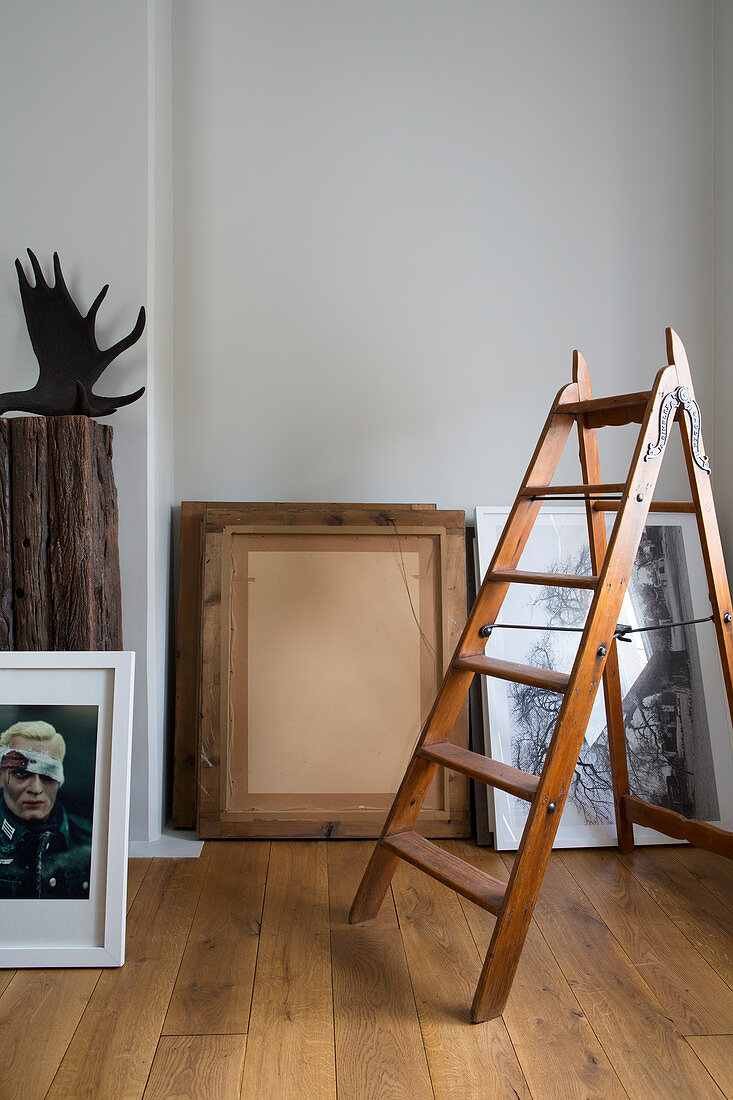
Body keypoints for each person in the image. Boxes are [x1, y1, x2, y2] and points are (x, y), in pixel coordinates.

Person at [0, 720, 92, 900]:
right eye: (21, 774)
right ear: (1, 776)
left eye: (49, 775)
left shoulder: (89, 841)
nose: (36, 788)